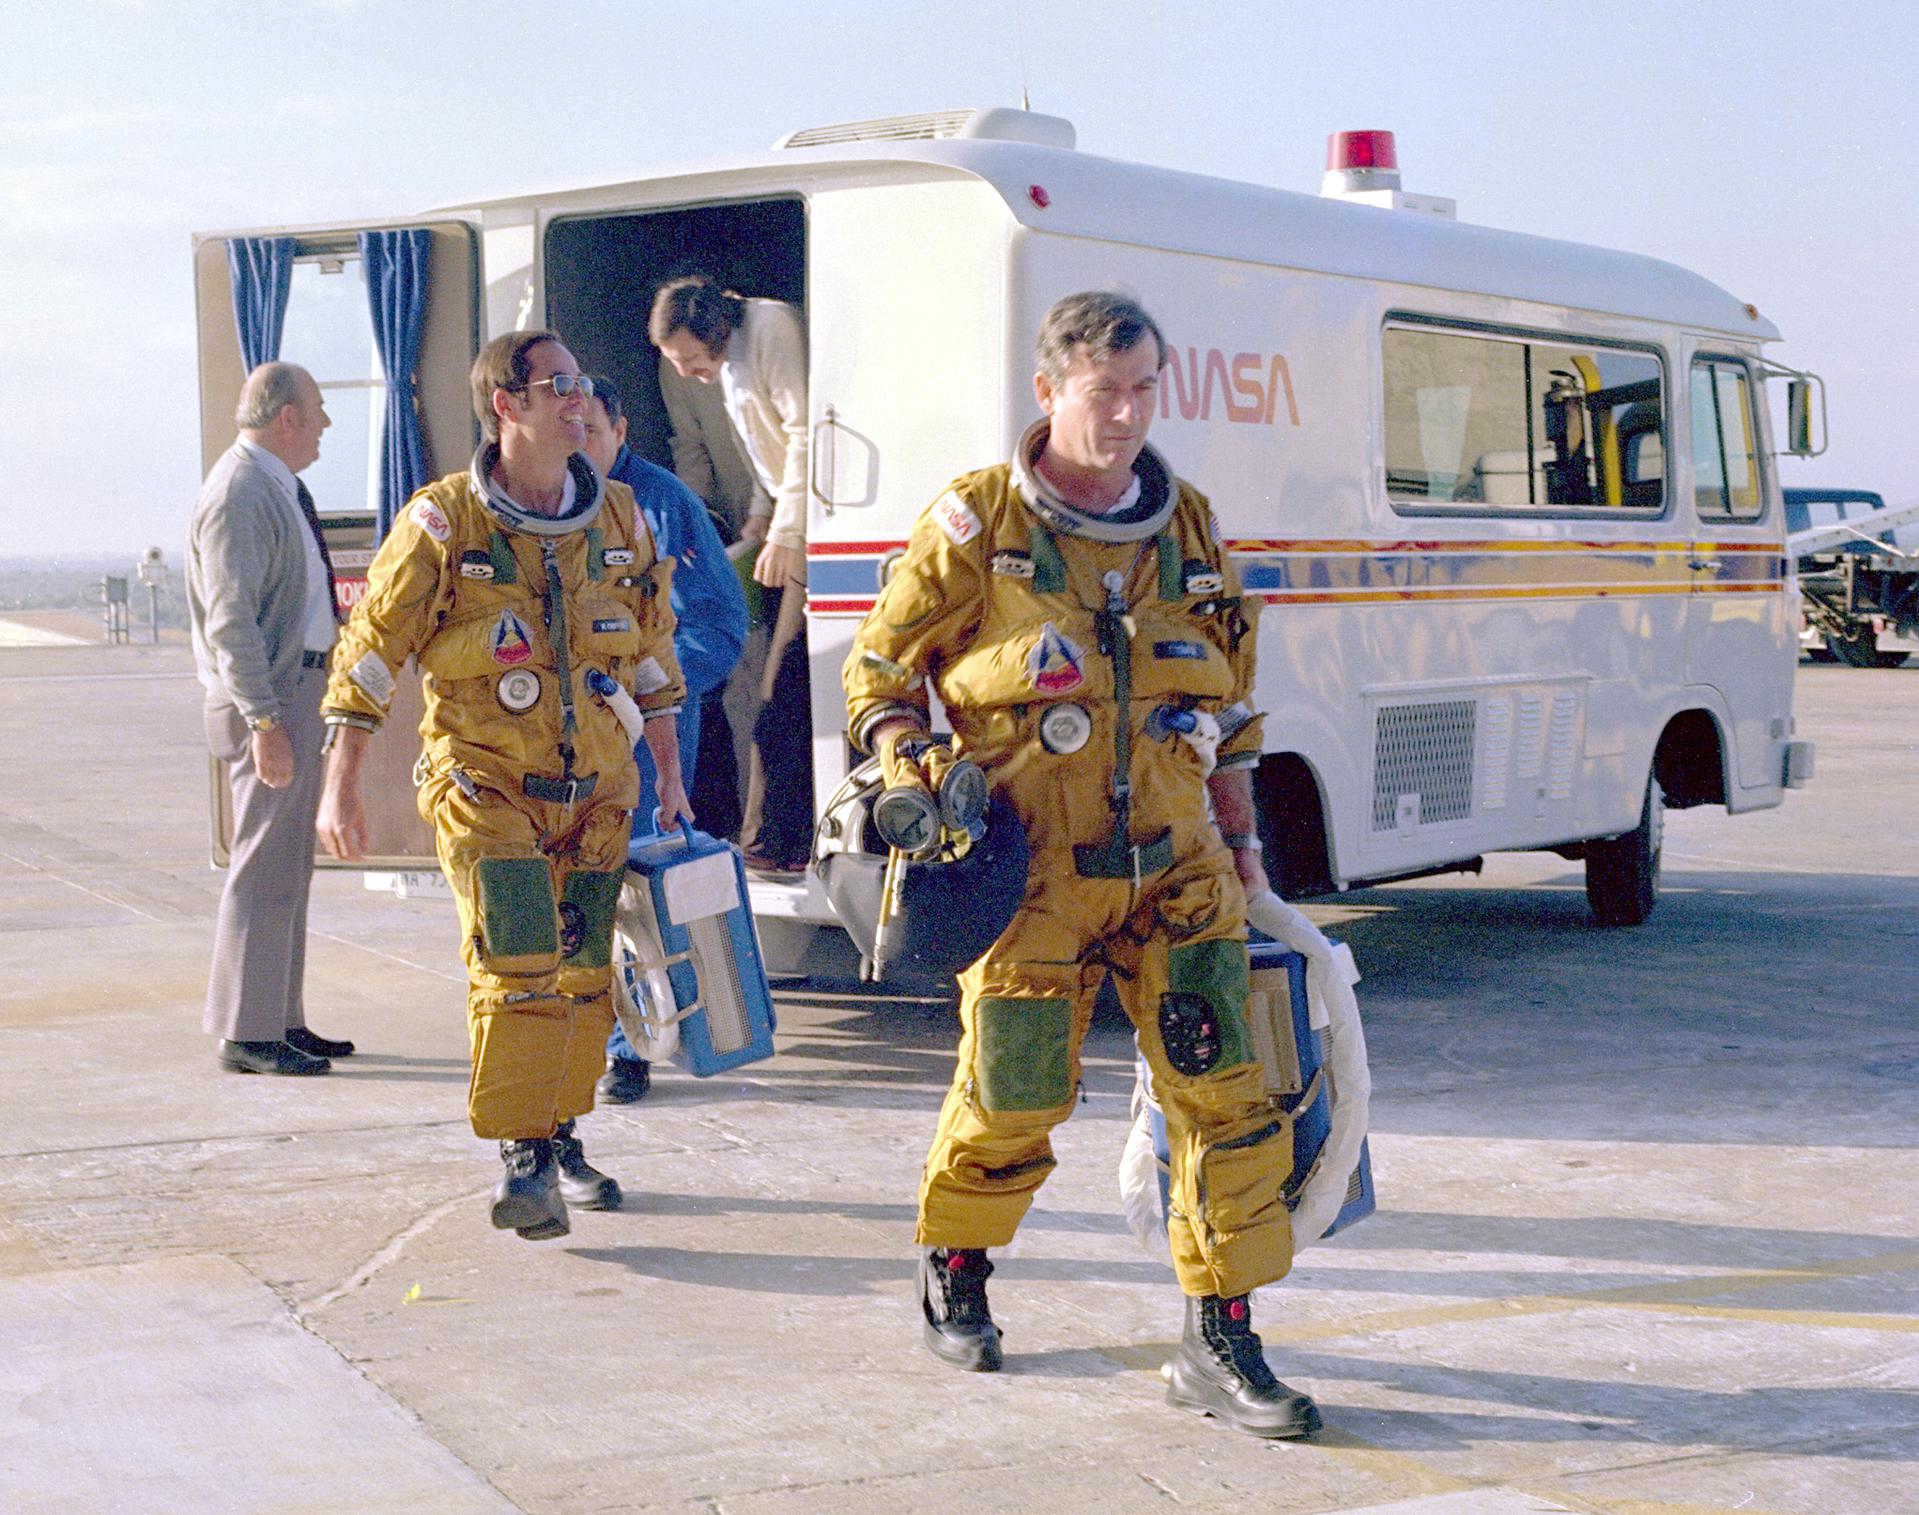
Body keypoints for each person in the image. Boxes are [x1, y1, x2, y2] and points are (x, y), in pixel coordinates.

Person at [842, 292, 1322, 1439]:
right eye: (1103, 391)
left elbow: (1233, 710)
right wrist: (909, 758)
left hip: (1177, 866)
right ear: (1050, 390)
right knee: (1014, 1091)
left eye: (1143, 389)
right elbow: (878, 672)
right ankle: (955, 1259)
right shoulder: (976, 523)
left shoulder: (1189, 528)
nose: (1124, 414)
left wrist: (1246, 851)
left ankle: (1223, 1335)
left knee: (1228, 1093)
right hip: (1031, 876)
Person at [315, 332, 689, 1242]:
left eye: (581, 382)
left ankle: (557, 1135)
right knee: (516, 958)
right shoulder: (444, 525)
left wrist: (670, 777)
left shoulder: (622, 519)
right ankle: (525, 1156)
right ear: (506, 405)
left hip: (597, 791)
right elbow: (370, 658)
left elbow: (649, 656)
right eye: (555, 385)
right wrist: (341, 786)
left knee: (582, 972)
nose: (576, 397)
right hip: (484, 784)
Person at [580, 375, 747, 1105]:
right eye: (565, 424)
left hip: (649, 731)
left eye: (589, 427)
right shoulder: (541, 505)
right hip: (567, 733)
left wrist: (655, 696)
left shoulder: (662, 504)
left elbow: (718, 624)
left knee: (638, 888)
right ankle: (583, 1030)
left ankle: (633, 1045)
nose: (575, 439)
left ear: (621, 432)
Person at [187, 361, 355, 1076]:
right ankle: (245, 1030)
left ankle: (278, 1017)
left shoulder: (272, 484)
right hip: (271, 700)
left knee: (288, 865)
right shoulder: (240, 493)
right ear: (286, 416)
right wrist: (264, 720)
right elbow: (232, 625)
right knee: (261, 867)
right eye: (317, 410)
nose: (324, 423)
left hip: (295, 694)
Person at [650, 276, 813, 877]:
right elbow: (768, 452)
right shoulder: (731, 358)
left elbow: (803, 436)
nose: (689, 372)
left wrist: (786, 533)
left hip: (812, 532)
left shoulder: (771, 329)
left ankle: (771, 841)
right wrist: (763, 518)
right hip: (787, 527)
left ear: (713, 330)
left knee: (782, 694)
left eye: (689, 358)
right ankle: (768, 837)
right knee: (776, 691)